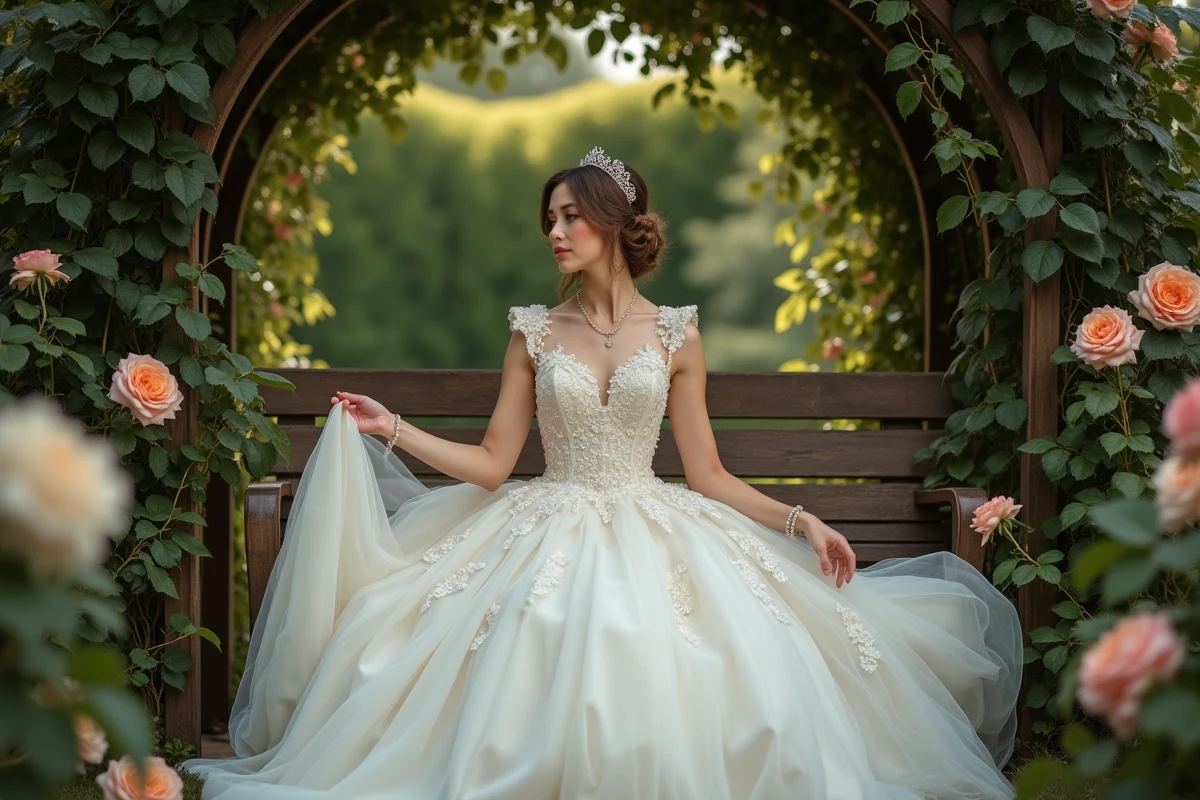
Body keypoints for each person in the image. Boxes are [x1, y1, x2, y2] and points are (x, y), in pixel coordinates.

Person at [183, 146, 1021, 799]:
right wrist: (389, 425)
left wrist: (804, 522)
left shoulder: (678, 334)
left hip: (653, 516)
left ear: (617, 223)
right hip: (543, 519)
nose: (555, 231)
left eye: (572, 216)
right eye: (549, 217)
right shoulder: (533, 331)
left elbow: (709, 474)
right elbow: (490, 465)